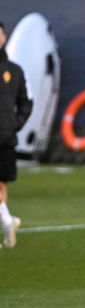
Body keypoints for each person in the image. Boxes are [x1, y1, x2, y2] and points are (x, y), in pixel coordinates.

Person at [0, 20, 32, 249]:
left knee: (1, 187)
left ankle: (8, 223)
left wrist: (14, 125)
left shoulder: (15, 71)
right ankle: (8, 223)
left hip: (4, 138)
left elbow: (26, 103)